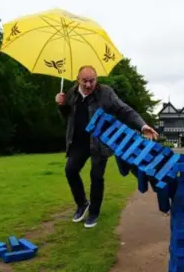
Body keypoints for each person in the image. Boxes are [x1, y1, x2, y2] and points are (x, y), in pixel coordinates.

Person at [55, 65, 158, 228]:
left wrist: (142, 126)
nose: (88, 85)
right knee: (70, 170)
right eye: (84, 82)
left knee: (96, 177)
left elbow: (125, 110)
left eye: (92, 81)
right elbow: (67, 116)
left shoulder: (106, 93)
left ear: (96, 79)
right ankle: (82, 204)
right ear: (78, 80)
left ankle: (94, 212)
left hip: (99, 142)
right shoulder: (72, 93)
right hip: (78, 142)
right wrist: (61, 105)